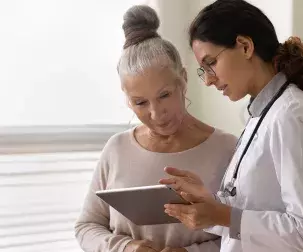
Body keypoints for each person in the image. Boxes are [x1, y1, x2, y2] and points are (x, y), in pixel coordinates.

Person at [159, 0, 303, 252]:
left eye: (211, 63)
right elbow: (252, 212)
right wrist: (208, 203)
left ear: (245, 46)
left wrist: (222, 215)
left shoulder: (292, 114)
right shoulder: (262, 114)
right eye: (203, 70)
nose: (209, 81)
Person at [74, 5, 238, 252]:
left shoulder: (227, 149)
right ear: (127, 98)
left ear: (183, 79)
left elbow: (242, 233)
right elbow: (87, 226)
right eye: (140, 102)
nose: (156, 113)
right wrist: (126, 248)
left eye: (164, 95)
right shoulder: (116, 149)